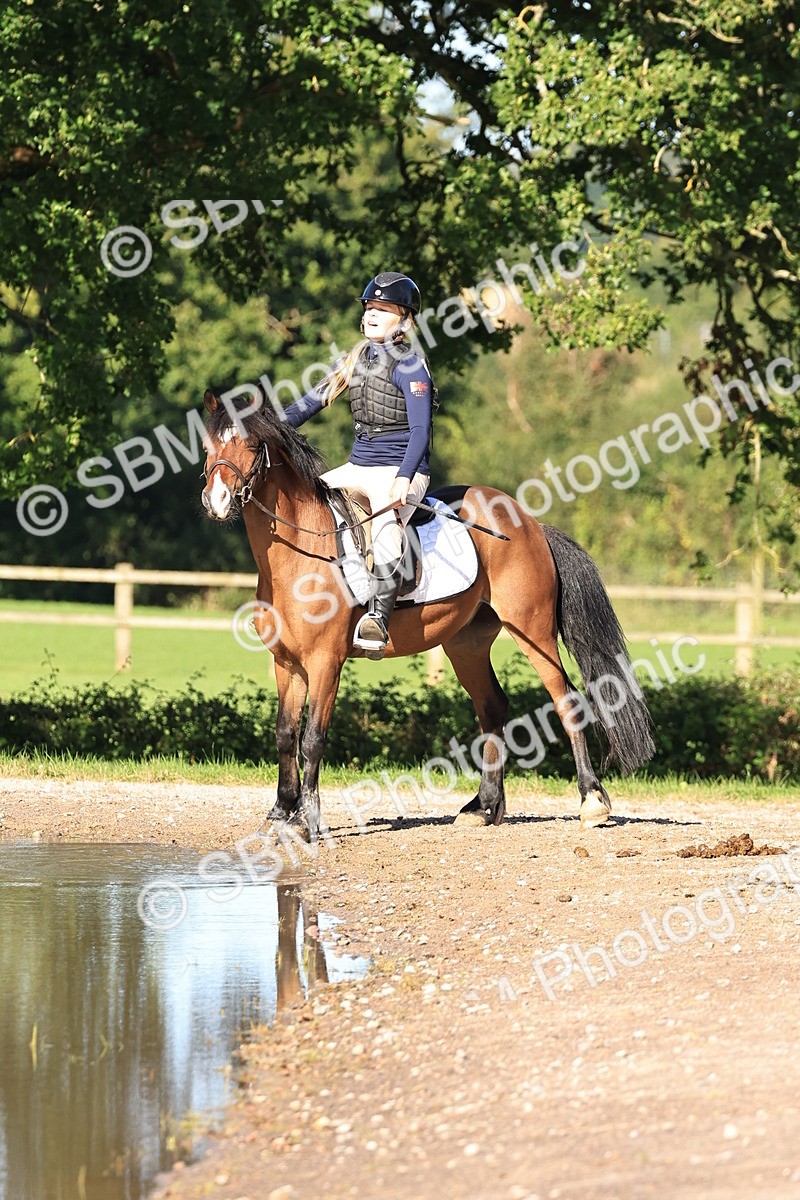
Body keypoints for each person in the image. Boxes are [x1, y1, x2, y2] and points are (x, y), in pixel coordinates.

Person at [283, 271, 435, 659]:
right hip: (357, 466)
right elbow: (308, 404)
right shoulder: (353, 359)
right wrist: (264, 427)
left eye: (382, 309)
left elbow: (420, 431)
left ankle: (377, 620)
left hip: (403, 470)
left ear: (404, 319)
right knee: (304, 506)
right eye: (369, 307)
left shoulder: (412, 366)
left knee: (385, 529)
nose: (371, 314)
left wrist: (404, 478)